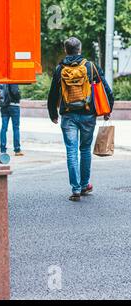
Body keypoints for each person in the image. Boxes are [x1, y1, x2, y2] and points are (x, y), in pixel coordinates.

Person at [47, 37, 114, 201]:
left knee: (71, 151)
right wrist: (108, 109)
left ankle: (75, 189)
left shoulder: (60, 68)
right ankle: (85, 185)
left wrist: (53, 113)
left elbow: (53, 93)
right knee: (84, 149)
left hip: (68, 115)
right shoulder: (90, 67)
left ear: (65, 50)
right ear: (80, 49)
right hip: (87, 114)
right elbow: (106, 89)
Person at [0, 84, 24, 156]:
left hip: (4, 106)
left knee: (4, 128)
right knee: (16, 128)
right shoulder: (12, 79)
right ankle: (17, 149)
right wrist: (19, 96)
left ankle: (3, 149)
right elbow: (15, 92)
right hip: (14, 106)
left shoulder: (1, 80)